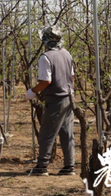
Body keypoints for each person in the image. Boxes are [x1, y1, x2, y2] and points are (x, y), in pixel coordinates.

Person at [25, 26, 76, 176]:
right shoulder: (67, 54)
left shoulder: (45, 57)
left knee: (47, 132)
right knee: (67, 133)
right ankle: (69, 166)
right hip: (68, 97)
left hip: (55, 99)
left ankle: (42, 166)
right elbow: (72, 76)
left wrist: (32, 91)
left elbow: (46, 80)